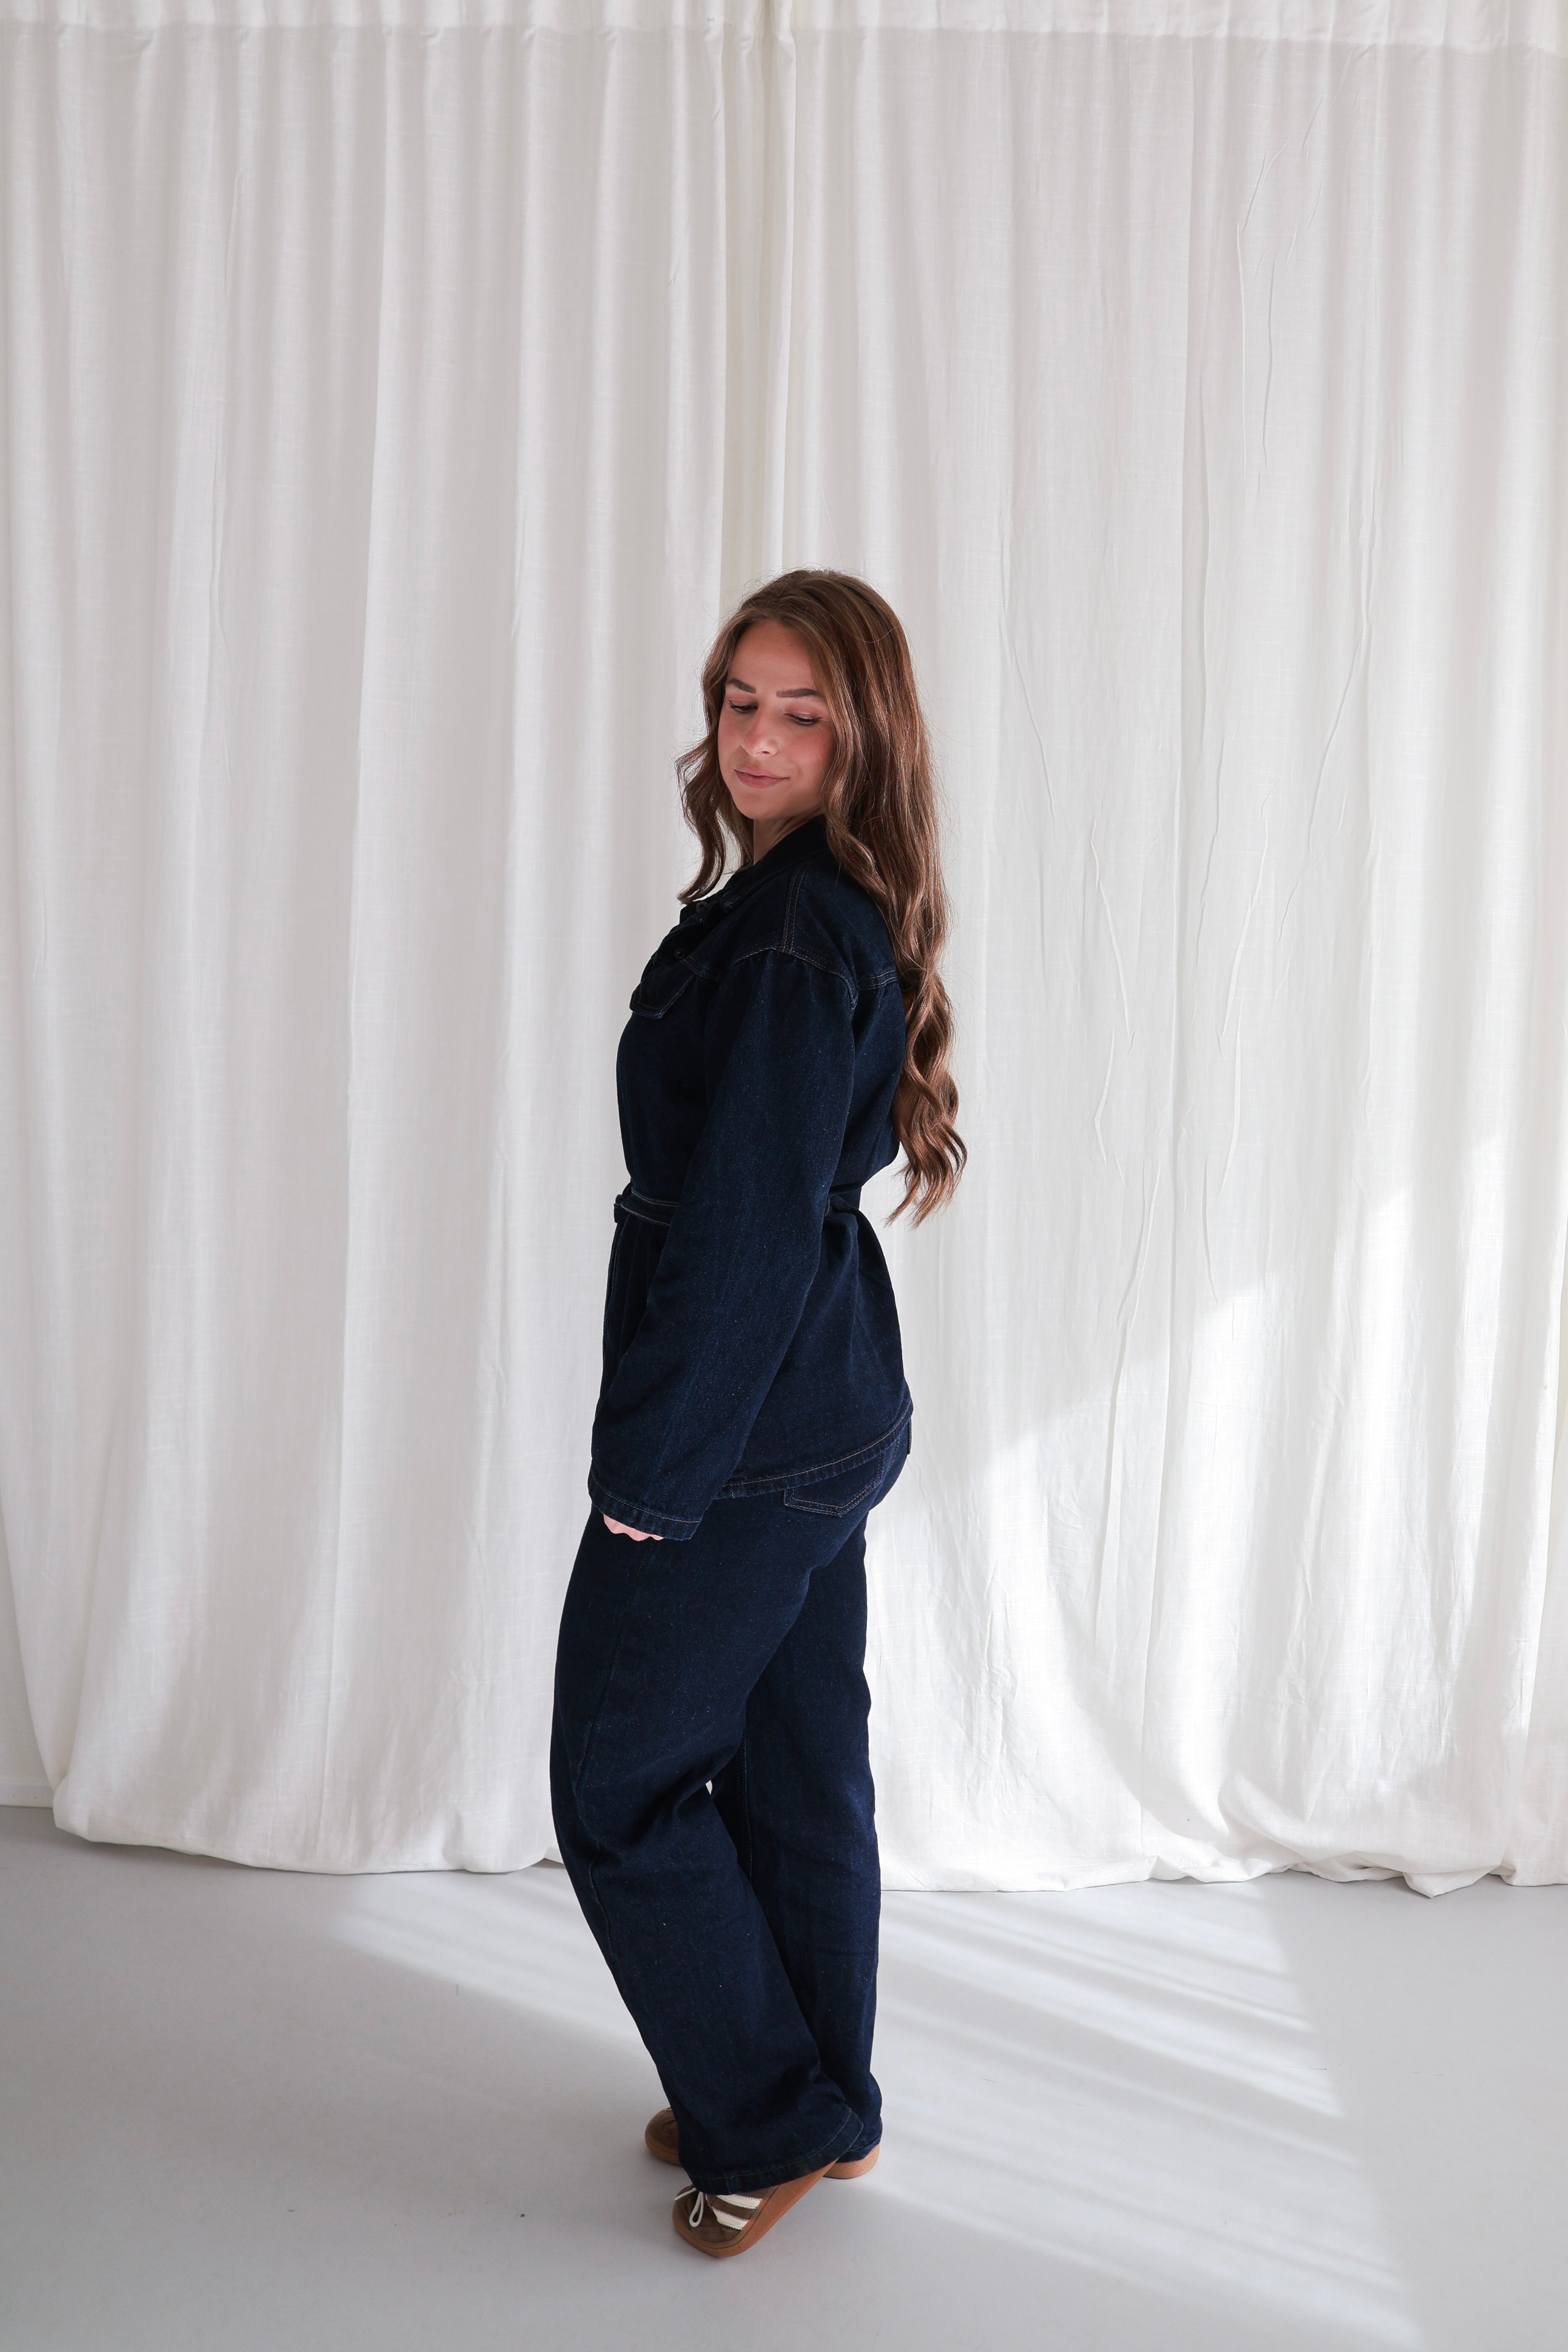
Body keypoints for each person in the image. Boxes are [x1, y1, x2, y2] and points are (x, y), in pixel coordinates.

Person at [550, 568, 965, 2259]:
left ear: (864, 736)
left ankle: (771, 2112)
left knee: (618, 1785)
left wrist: (657, 1471)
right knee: (795, 1760)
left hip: (748, 1428)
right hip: (824, 1406)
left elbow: (739, 1226)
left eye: (805, 713)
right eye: (742, 703)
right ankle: (814, 2093)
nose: (762, 740)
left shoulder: (795, 929)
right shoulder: (815, 899)